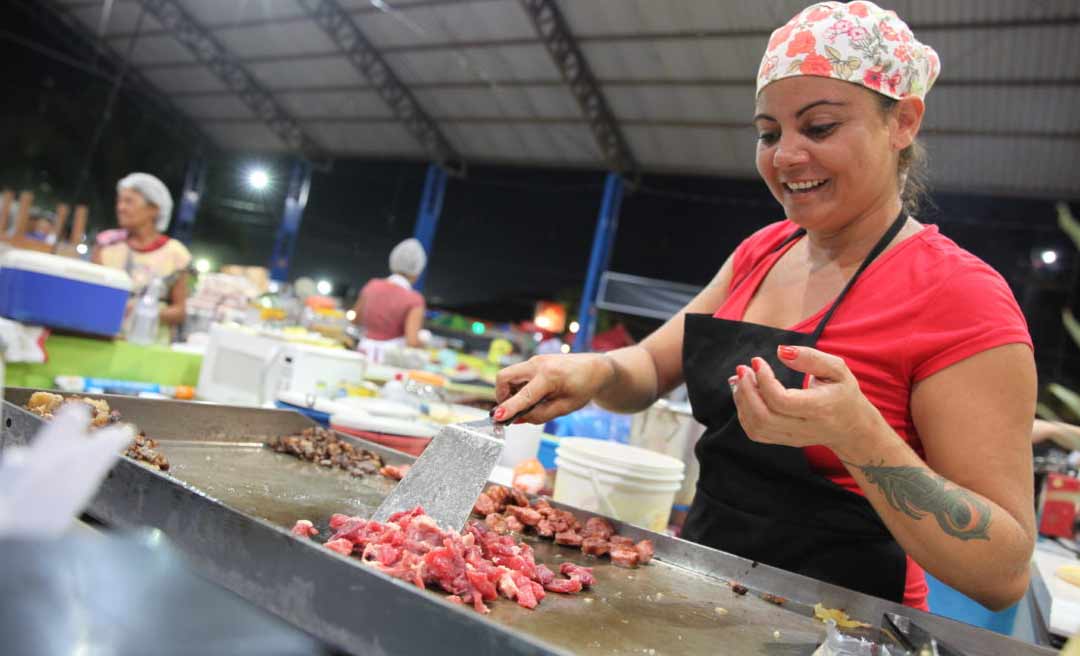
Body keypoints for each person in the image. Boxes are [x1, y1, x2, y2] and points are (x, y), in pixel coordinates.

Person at [494, 1, 1036, 612]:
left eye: (820, 127)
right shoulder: (763, 250)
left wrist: (858, 436)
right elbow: (646, 369)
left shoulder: (960, 295)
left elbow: (1003, 573)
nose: (785, 156)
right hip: (696, 593)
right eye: (769, 133)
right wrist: (591, 371)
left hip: (840, 627)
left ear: (903, 122)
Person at [94, 173, 192, 340]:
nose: (120, 207)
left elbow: (180, 311)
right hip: (104, 339)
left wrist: (142, 312)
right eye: (119, 201)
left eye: (129, 201)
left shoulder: (176, 254)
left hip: (151, 345)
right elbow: (93, 296)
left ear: (154, 209)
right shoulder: (107, 246)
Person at [351, 238, 427, 353]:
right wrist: (425, 340)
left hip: (363, 351)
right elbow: (411, 341)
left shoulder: (372, 286)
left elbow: (355, 320)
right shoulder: (415, 299)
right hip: (391, 357)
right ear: (418, 272)